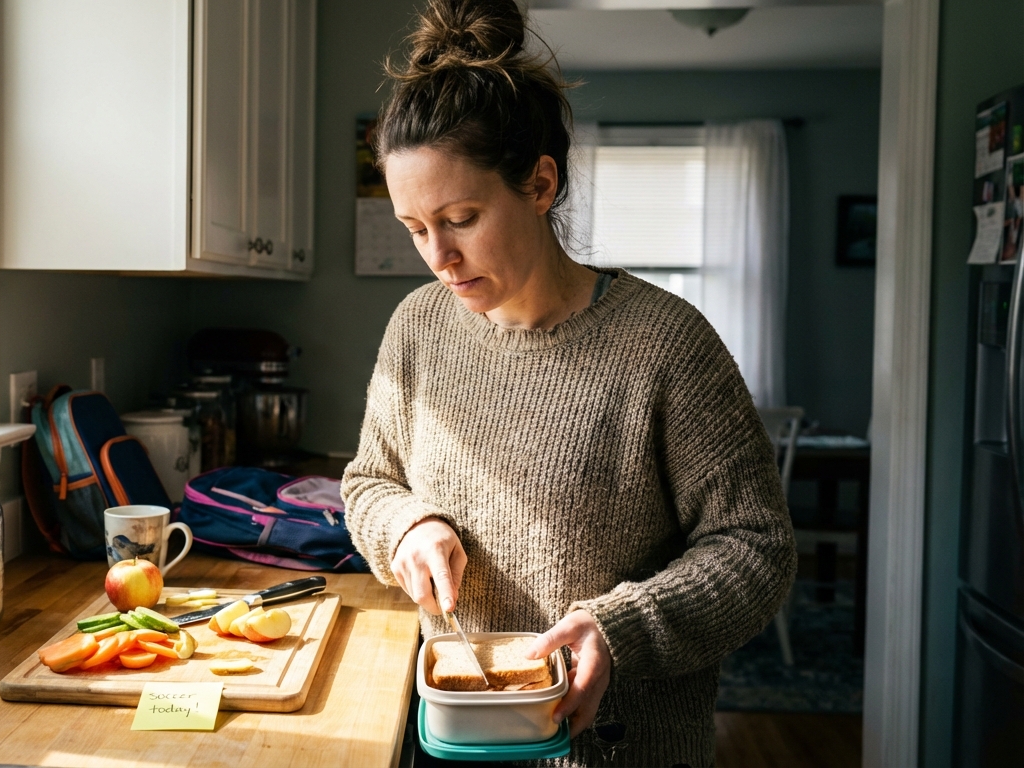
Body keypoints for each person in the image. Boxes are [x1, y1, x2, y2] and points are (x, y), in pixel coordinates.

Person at [340, 1, 797, 765]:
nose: (438, 258)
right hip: (451, 742)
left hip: (626, 750)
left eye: (460, 217)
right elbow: (369, 481)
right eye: (415, 228)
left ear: (541, 183)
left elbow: (757, 548)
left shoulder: (666, 344)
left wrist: (619, 630)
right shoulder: (416, 328)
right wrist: (407, 527)